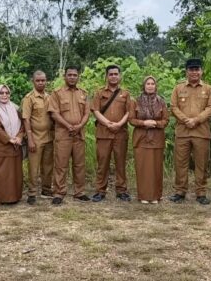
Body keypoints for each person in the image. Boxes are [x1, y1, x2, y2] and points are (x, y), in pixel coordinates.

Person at [169, 58, 211, 204]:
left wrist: (196, 120)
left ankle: (201, 193)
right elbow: (173, 107)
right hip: (183, 132)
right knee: (180, 163)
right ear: (187, 71)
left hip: (201, 132)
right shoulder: (178, 88)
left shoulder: (208, 89)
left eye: (197, 69)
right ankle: (180, 192)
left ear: (201, 71)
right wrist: (185, 120)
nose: (194, 72)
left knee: (201, 163)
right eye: (191, 69)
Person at [47, 66, 91, 205]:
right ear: (65, 76)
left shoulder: (83, 93)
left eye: (75, 75)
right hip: (63, 134)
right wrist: (68, 125)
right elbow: (54, 113)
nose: (72, 77)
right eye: (69, 75)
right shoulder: (57, 93)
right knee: (61, 164)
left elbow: (86, 113)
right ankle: (59, 192)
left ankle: (80, 192)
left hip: (79, 135)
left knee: (79, 165)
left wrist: (79, 126)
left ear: (78, 77)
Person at [91, 65, 131, 202]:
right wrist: (108, 124)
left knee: (120, 163)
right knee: (103, 163)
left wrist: (119, 124)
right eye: (111, 74)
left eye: (116, 74)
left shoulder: (125, 93)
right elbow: (95, 111)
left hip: (120, 133)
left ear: (120, 76)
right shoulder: (99, 93)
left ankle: (121, 191)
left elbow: (128, 112)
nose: (113, 76)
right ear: (106, 76)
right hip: (103, 133)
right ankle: (100, 191)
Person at [128, 76, 168, 203]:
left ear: (156, 86)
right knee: (143, 168)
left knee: (156, 168)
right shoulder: (136, 101)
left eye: (152, 83)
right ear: (143, 86)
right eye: (148, 84)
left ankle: (156, 196)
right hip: (141, 139)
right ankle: (144, 196)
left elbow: (166, 120)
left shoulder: (161, 101)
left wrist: (155, 123)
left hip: (157, 139)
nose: (150, 86)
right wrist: (144, 123)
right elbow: (131, 119)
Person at [0, 84, 25, 205]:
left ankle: (15, 197)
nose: (4, 95)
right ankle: (3, 199)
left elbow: (23, 124)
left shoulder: (15, 107)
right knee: (2, 174)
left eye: (7, 93)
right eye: (2, 93)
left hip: (15, 146)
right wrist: (9, 139)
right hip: (1, 147)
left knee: (15, 174)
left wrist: (19, 137)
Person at [21, 71, 54, 204]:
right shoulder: (29, 98)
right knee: (33, 167)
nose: (41, 82)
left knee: (48, 166)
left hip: (49, 137)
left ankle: (46, 189)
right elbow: (26, 119)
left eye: (43, 80)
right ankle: (32, 193)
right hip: (35, 137)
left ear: (46, 81)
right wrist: (30, 139)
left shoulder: (50, 97)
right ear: (33, 81)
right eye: (38, 80)